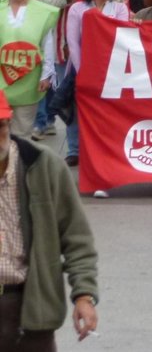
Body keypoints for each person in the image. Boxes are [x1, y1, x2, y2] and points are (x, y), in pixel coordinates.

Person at [0, 90, 99, 347]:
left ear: (9, 122)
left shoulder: (43, 165)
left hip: (32, 306)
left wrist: (84, 295)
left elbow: (76, 236)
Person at [62, 0, 129, 172]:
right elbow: (73, 42)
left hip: (111, 71)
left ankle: (106, 153)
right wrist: (83, 72)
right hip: (82, 68)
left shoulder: (120, 8)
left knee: (107, 115)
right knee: (77, 113)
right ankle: (75, 151)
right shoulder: (77, 9)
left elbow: (121, 39)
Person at [0, 0, 57, 138]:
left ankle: (17, 156)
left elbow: (48, 45)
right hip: (0, 80)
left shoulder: (44, 12)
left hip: (29, 81)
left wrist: (46, 75)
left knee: (21, 135)